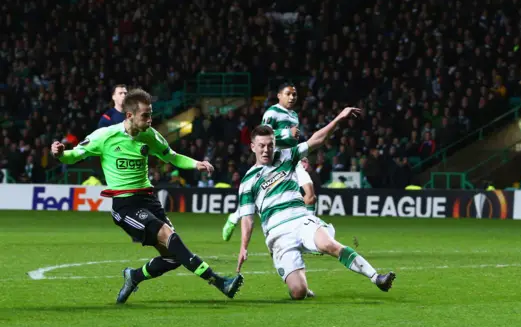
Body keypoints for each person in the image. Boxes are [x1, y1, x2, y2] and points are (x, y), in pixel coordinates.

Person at [50, 88, 244, 304]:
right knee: (170, 237)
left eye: (151, 114)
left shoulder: (149, 136)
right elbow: (74, 155)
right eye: (145, 115)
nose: (150, 119)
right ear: (130, 115)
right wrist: (60, 154)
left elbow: (171, 156)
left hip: (149, 201)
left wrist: (195, 163)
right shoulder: (105, 136)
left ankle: (134, 276)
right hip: (125, 205)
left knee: (172, 257)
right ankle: (219, 282)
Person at [234, 107, 396, 300]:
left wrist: (339, 118)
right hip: (277, 236)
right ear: (252, 147)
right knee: (298, 292)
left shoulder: (287, 156)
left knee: (329, 244)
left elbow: (316, 141)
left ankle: (376, 277)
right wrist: (244, 246)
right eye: (261, 145)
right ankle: (302, 286)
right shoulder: (248, 181)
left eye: (270, 145)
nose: (266, 150)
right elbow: (247, 218)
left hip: (301, 220)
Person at [221, 83, 304, 240]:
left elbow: (293, 140)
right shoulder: (272, 112)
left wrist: (300, 154)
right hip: (273, 159)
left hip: (290, 159)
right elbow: (263, 134)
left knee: (309, 192)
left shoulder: (294, 115)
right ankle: (235, 216)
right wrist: (287, 133)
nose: (292, 97)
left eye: (294, 95)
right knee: (263, 194)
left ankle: (306, 232)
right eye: (288, 94)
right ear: (279, 95)